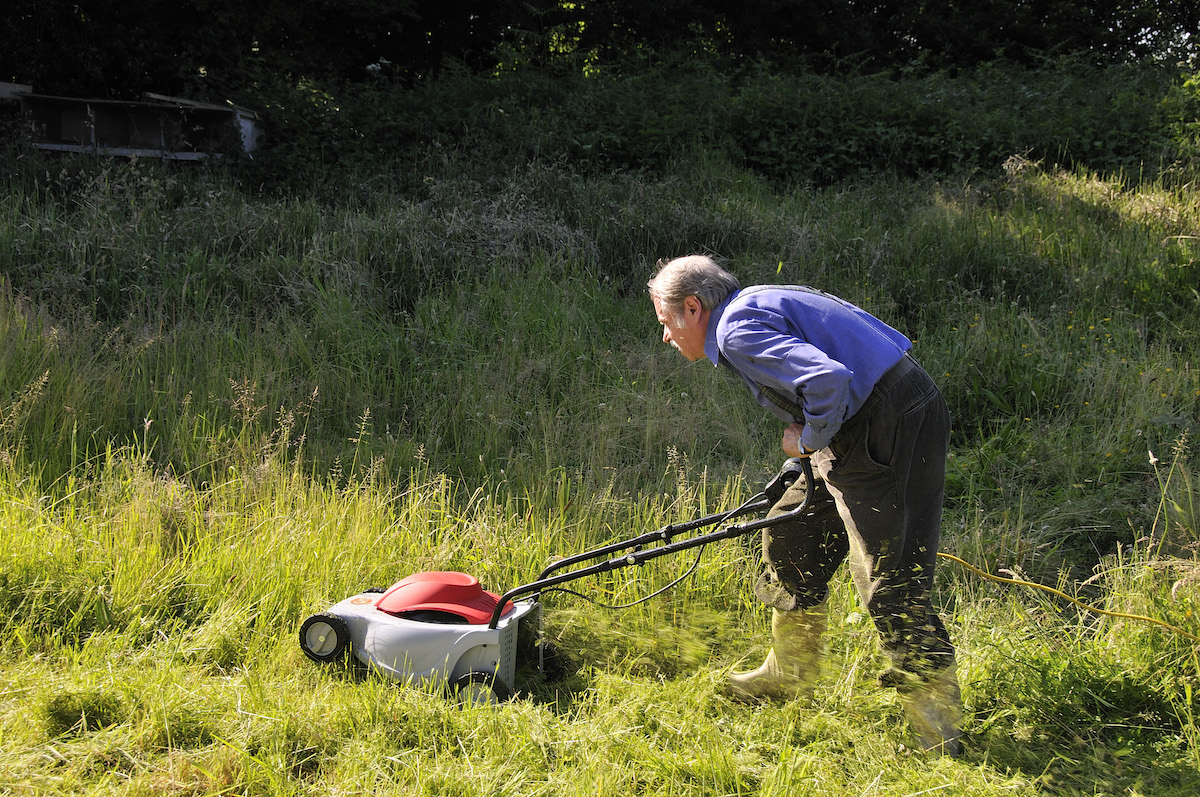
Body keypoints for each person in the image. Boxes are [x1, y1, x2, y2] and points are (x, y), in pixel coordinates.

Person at [647, 254, 961, 756]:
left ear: (692, 307)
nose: (666, 336)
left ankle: (937, 728)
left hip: (883, 424)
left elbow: (828, 380)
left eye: (666, 323)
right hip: (873, 415)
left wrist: (808, 441)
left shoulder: (734, 331)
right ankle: (790, 672)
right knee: (792, 529)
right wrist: (816, 446)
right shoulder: (754, 303)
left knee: (888, 577)